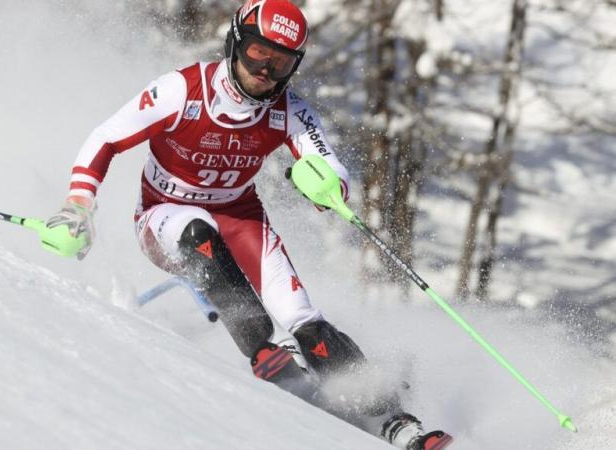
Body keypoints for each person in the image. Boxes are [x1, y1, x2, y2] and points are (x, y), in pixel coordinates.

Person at [45, 1, 451, 449]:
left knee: (303, 317)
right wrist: (78, 203)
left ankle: (394, 419)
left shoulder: (286, 109)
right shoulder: (184, 90)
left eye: (281, 62)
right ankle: (262, 348)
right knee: (197, 228)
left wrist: (326, 186)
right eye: (258, 53)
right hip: (163, 218)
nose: (266, 70)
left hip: (241, 219)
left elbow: (330, 166)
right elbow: (106, 137)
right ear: (235, 42)